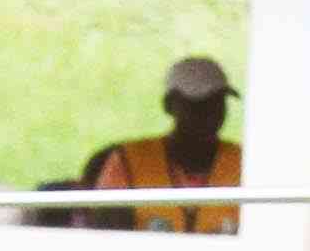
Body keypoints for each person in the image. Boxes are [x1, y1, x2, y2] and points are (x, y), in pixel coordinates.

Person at [55, 56, 244, 233]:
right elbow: (107, 239)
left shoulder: (245, 163)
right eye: (197, 104)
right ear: (169, 105)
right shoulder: (126, 162)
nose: (209, 113)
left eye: (217, 102)